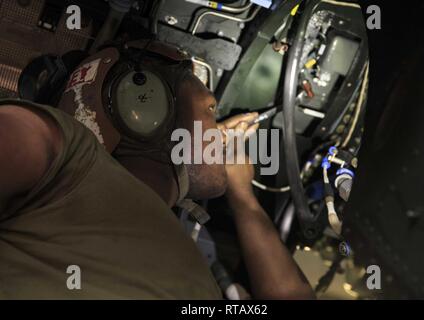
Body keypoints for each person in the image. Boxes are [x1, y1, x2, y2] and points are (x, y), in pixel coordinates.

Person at [0, 40, 314, 299]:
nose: (218, 130)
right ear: (145, 111)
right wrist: (243, 200)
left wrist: (242, 193)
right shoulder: (72, 158)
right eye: (209, 110)